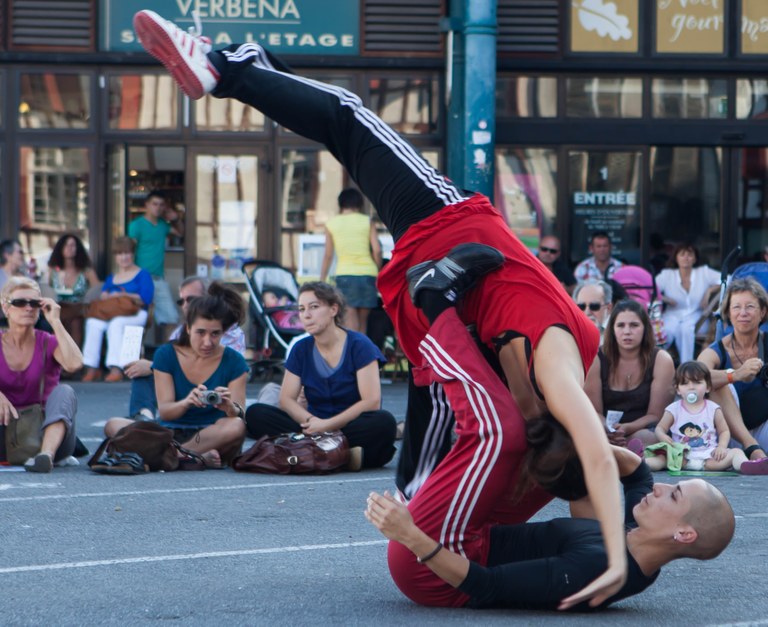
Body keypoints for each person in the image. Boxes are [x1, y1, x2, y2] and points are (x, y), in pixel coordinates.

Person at [134, 13, 626, 604]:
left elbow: (598, 456)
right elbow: (591, 471)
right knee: (341, 132)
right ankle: (254, 65)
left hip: (445, 224)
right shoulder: (556, 387)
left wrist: (617, 561)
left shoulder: (563, 364)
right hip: (429, 292)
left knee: (347, 114)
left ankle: (222, 65)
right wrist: (605, 554)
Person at [361, 274, 733, 609]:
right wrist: (587, 445)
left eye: (675, 495)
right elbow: (637, 474)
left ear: (683, 534)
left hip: (431, 568)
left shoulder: (593, 570)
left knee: (500, 432)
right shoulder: (642, 533)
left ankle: (434, 303)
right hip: (480, 534)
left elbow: (485, 586)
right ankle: (481, 328)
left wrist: (408, 534)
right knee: (562, 448)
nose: (664, 486)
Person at [245, 281, 397, 469]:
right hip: (311, 427)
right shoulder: (300, 349)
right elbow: (286, 399)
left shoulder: (360, 345)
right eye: (301, 309)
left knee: (383, 423)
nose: (306, 315)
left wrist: (327, 425)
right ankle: (340, 456)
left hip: (349, 427)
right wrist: (310, 422)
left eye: (314, 307)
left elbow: (371, 401)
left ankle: (307, 454)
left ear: (334, 309)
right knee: (255, 414)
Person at [104, 282, 248, 467]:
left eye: (215, 334)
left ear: (224, 332)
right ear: (188, 329)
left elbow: (239, 414)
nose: (207, 342)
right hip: (170, 433)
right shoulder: (167, 354)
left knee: (235, 426)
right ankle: (188, 457)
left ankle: (171, 456)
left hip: (211, 434)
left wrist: (228, 406)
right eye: (200, 332)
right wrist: (187, 401)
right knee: (113, 424)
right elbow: (166, 412)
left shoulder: (234, 361)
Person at [125, 276, 247, 420]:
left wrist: (152, 366)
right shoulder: (179, 332)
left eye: (191, 299)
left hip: (214, 390)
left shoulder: (228, 329)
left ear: (208, 298)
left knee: (234, 428)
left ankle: (148, 430)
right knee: (142, 374)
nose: (185, 305)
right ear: (189, 329)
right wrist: (156, 367)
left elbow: (221, 366)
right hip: (179, 395)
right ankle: (144, 417)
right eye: (181, 301)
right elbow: (170, 361)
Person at [0, 277, 83, 472]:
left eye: (35, 303)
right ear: (5, 308)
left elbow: (75, 364)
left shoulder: (48, 341)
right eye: (20, 303)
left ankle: (45, 456)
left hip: (47, 432)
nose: (28, 308)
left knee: (65, 392)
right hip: (6, 432)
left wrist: (55, 321)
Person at [645, 360, 768, 474]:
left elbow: (724, 431)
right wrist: (663, 436)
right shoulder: (673, 409)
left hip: (709, 458)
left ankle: (746, 466)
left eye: (697, 382)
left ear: (708, 387)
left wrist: (721, 447)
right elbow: (660, 428)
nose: (691, 387)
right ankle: (642, 464)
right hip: (680, 458)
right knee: (661, 458)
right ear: (678, 389)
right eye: (685, 383)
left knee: (736, 453)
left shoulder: (713, 408)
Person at [585, 300, 676, 446]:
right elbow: (594, 411)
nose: (627, 331)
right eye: (621, 325)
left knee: (646, 437)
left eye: (634, 325)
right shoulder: (596, 358)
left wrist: (627, 428)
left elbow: (657, 416)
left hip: (643, 430)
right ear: (612, 329)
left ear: (645, 328)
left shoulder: (661, 360)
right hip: (604, 430)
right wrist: (608, 431)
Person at [698, 277, 768, 461]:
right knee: (717, 382)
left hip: (764, 429)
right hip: (727, 437)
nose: (743, 313)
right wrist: (736, 375)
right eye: (736, 307)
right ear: (728, 313)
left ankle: (755, 450)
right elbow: (694, 377)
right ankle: (751, 448)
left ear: (762, 312)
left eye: (750, 307)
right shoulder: (717, 350)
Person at [81, 236, 154, 382]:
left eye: (127, 253)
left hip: (136, 313)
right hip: (112, 313)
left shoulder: (143, 274)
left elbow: (146, 299)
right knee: (93, 323)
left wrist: (122, 294)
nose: (124, 257)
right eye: (120, 253)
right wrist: (107, 296)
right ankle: (92, 367)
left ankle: (116, 368)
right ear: (115, 256)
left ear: (133, 254)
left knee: (116, 324)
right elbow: (103, 296)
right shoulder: (112, 277)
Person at [320, 187, 382, 334]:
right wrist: (378, 271)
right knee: (363, 324)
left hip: (345, 275)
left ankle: (351, 356)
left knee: (350, 325)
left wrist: (322, 279)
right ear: (359, 203)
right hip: (368, 275)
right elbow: (377, 250)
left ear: (341, 204)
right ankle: (363, 356)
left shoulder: (331, 224)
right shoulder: (367, 221)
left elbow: (328, 255)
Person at [655, 242, 720, 363]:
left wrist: (709, 290)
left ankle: (687, 369)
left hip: (697, 317)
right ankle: (660, 366)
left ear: (695, 258)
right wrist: (665, 299)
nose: (686, 257)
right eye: (682, 254)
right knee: (664, 332)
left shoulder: (703, 273)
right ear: (676, 257)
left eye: (689, 254)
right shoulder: (667, 275)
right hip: (671, 316)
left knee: (686, 329)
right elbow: (651, 288)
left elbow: (728, 278)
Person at [128, 190, 182, 331]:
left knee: (171, 319)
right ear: (147, 205)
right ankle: (137, 353)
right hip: (140, 278)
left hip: (158, 279)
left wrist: (176, 218)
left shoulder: (163, 225)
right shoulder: (137, 225)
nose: (157, 207)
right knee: (138, 321)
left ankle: (166, 353)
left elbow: (181, 233)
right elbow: (129, 252)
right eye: (154, 204)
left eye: (161, 205)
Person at [44, 233, 101, 347]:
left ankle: (73, 360)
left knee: (76, 320)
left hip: (79, 308)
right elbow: (45, 289)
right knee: (61, 317)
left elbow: (97, 290)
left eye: (73, 245)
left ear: (78, 249)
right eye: (66, 245)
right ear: (60, 248)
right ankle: (61, 358)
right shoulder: (52, 270)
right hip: (59, 308)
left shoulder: (86, 271)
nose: (69, 248)